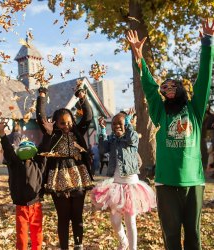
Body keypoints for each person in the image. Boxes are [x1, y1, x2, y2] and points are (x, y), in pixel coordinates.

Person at [127, 18, 214, 250]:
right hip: (166, 184)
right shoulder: (160, 112)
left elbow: (204, 78)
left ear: (182, 89)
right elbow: (149, 87)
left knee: (194, 237)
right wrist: (139, 60)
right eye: (164, 87)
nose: (167, 88)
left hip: (193, 183)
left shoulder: (194, 110)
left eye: (172, 85)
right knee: (171, 237)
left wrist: (208, 43)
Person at [36, 85, 94, 250]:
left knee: (77, 215)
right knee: (63, 216)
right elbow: (41, 117)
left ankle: (78, 245)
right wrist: (41, 95)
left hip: (78, 174)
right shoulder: (51, 134)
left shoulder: (77, 131)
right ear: (56, 123)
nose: (66, 126)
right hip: (58, 177)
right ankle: (64, 247)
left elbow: (88, 116)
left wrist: (81, 96)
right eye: (62, 123)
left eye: (69, 122)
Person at [91, 113, 156, 250]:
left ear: (125, 124)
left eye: (119, 123)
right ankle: (123, 241)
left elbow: (132, 139)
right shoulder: (112, 139)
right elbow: (102, 149)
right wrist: (102, 129)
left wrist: (128, 124)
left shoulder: (130, 137)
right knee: (115, 221)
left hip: (131, 184)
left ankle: (132, 248)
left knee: (130, 220)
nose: (116, 126)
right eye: (114, 124)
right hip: (116, 185)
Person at [0, 121, 46, 250]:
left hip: (36, 204)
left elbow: (44, 147)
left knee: (37, 233)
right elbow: (8, 150)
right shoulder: (15, 164)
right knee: (22, 235)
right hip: (21, 206)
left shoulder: (38, 163)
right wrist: (2, 134)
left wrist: (49, 133)